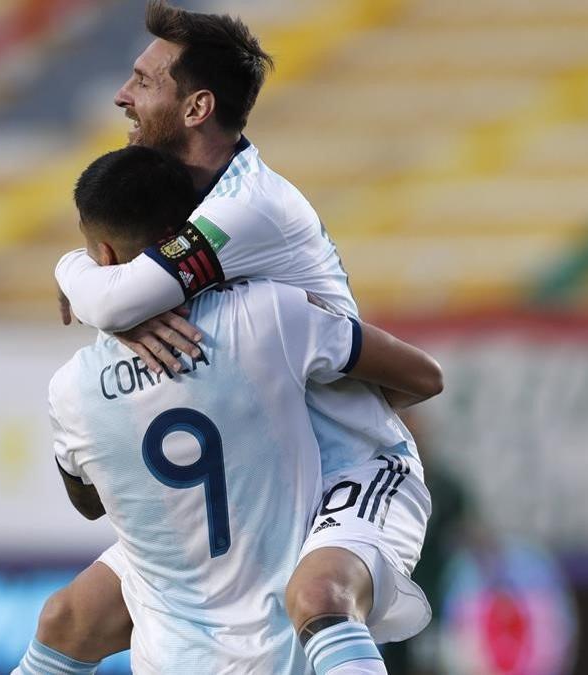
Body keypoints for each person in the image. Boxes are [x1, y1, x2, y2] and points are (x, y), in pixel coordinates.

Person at [42, 3, 438, 674]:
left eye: (144, 80)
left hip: (348, 469)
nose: (122, 95)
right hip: (259, 475)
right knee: (68, 619)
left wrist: (75, 270)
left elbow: (116, 293)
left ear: (197, 108)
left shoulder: (249, 205)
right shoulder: (173, 201)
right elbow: (119, 289)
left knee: (316, 595)